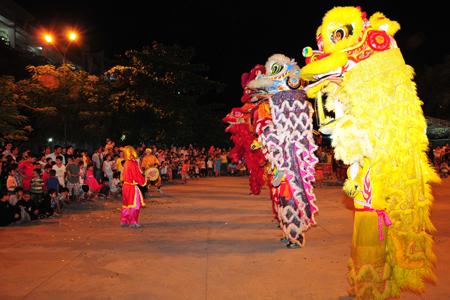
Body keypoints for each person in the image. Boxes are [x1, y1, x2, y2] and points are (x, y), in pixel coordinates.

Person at [120, 146, 146, 228]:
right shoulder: (133, 163)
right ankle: (133, 222)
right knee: (135, 205)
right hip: (131, 186)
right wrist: (144, 180)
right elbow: (137, 175)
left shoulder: (127, 162)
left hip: (125, 186)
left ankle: (124, 221)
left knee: (126, 205)